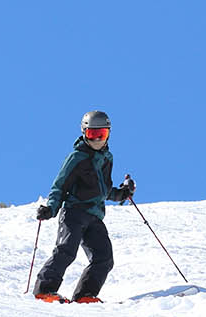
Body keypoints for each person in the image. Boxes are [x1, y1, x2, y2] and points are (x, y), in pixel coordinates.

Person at [32, 110, 135, 304]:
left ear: (109, 134)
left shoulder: (107, 158)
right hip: (74, 212)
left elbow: (103, 189)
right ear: (84, 133)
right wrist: (51, 208)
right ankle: (44, 290)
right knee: (66, 250)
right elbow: (60, 186)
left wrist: (122, 193)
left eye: (101, 134)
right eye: (92, 134)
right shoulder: (77, 158)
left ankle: (85, 295)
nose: (97, 140)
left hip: (94, 216)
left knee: (104, 257)